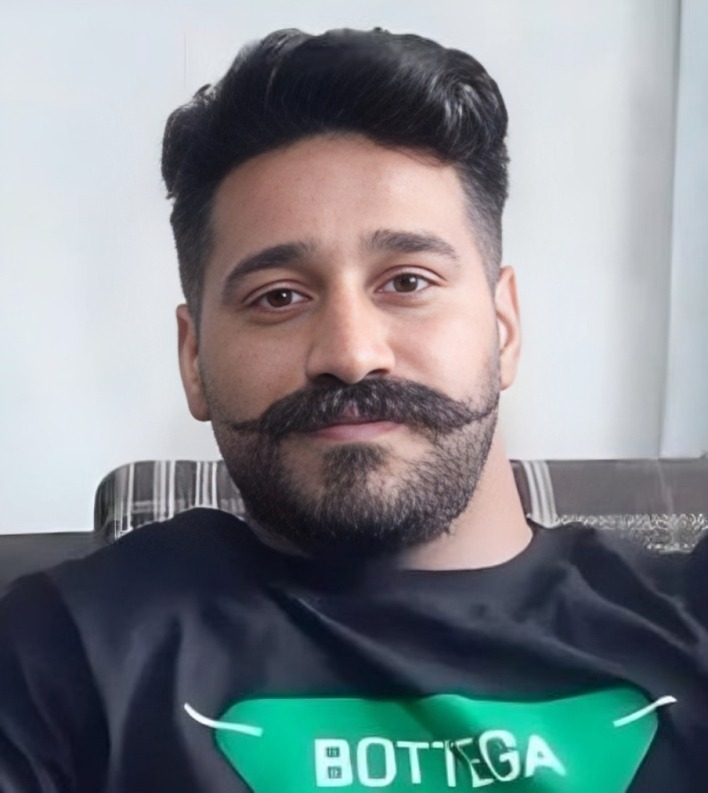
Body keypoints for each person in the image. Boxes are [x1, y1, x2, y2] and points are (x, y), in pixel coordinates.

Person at [1, 27, 707, 793]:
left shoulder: (690, 617)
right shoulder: (61, 650)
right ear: (193, 358)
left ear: (504, 327)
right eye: (278, 296)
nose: (350, 351)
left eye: (407, 281)